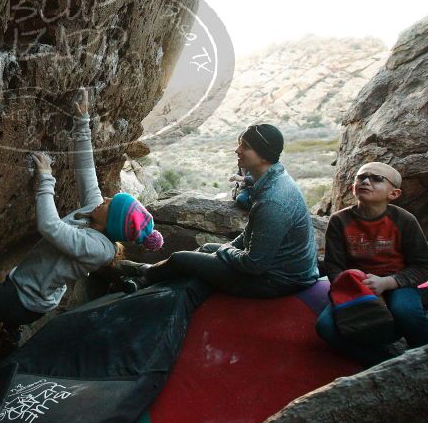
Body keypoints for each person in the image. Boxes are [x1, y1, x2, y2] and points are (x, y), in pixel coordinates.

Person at [0, 88, 164, 373]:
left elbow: (50, 227)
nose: (105, 197)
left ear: (110, 223)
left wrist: (46, 180)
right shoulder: (95, 213)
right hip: (32, 287)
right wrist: (83, 120)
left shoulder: (98, 248)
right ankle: (10, 334)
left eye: (109, 203)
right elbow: (85, 169)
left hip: (23, 301)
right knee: (10, 301)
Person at [315, 162, 428, 423]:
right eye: (361, 177)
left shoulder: (403, 220)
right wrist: (353, 287)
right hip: (357, 287)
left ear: (394, 193)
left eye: (376, 178)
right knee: (325, 327)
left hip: (396, 282)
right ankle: (391, 367)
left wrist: (389, 282)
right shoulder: (340, 220)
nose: (366, 181)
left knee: (406, 313)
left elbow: (423, 266)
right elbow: (334, 266)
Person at [116, 123, 318, 298]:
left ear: (264, 157)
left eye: (245, 146)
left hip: (278, 280)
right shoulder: (270, 181)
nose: (237, 150)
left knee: (181, 258)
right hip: (275, 269)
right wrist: (225, 249)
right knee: (206, 249)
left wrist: (224, 250)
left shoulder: (274, 202)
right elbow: (251, 232)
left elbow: (254, 265)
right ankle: (145, 280)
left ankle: (145, 273)